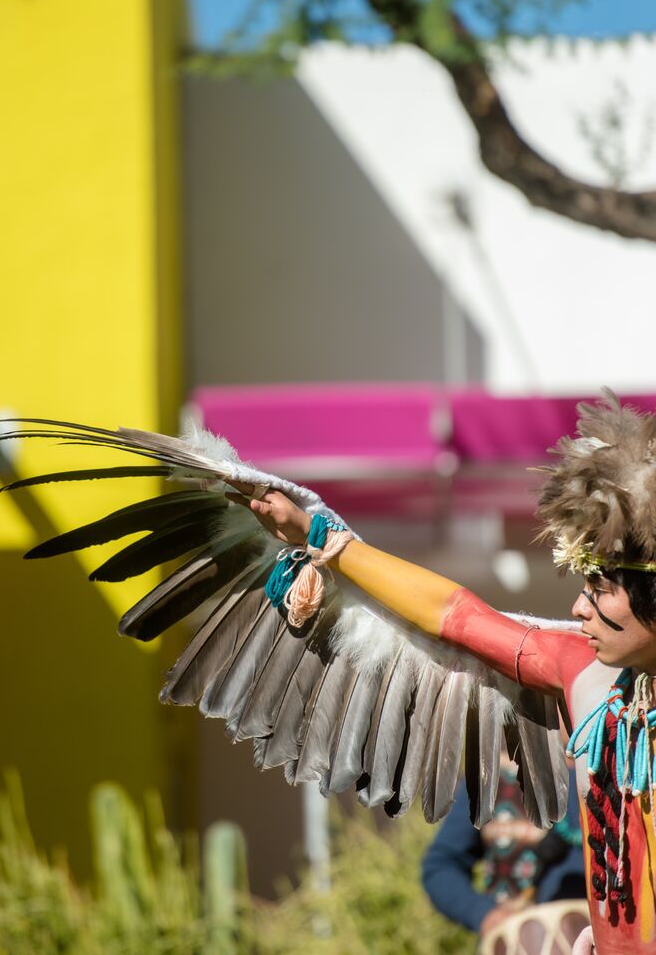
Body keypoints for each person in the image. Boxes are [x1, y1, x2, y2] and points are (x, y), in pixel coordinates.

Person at [239, 393, 656, 954]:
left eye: (600, 589)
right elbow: (456, 617)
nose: (580, 608)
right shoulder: (579, 669)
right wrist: (321, 537)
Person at [422, 760, 585, 938]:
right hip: (519, 940)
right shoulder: (491, 781)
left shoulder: (615, 774)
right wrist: (483, 913)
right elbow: (441, 865)